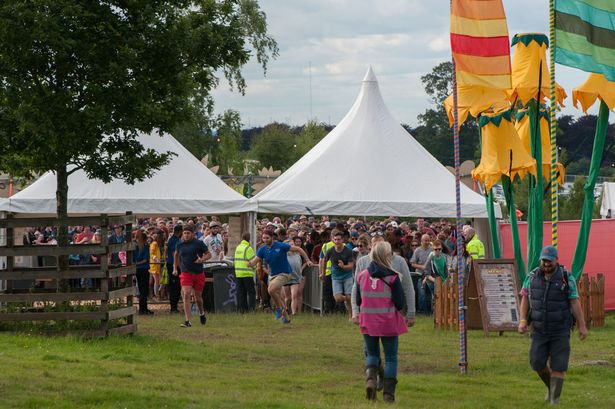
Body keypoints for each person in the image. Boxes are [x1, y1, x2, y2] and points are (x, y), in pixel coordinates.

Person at [518, 245, 587, 404]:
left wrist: (582, 326)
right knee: (536, 362)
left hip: (560, 329)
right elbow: (525, 299)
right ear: (540, 260)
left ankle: (554, 400)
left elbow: (574, 302)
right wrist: (522, 320)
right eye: (544, 260)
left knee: (558, 365)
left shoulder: (566, 277)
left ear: (556, 260)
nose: (546, 264)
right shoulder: (532, 276)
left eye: (549, 261)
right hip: (539, 329)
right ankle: (552, 388)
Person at [353, 242, 408, 403]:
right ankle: (388, 394)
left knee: (372, 354)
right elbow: (399, 303)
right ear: (386, 256)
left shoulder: (362, 275)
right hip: (388, 322)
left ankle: (370, 379)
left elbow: (358, 299)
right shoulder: (392, 277)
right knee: (390, 358)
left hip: (368, 321)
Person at [248, 229, 312, 324]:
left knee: (271, 289)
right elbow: (254, 261)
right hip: (273, 275)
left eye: (267, 238)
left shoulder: (280, 245)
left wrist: (307, 260)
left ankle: (279, 309)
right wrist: (248, 264)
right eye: (264, 238)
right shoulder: (262, 249)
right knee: (277, 294)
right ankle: (286, 317)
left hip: (285, 273)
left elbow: (298, 249)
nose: (265, 240)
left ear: (272, 238)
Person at [174, 224, 211, 328]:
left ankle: (201, 313)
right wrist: (174, 268)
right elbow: (176, 254)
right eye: (184, 233)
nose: (185, 235)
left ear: (193, 234)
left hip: (198, 273)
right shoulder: (179, 244)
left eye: (188, 233)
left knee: (198, 297)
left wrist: (202, 259)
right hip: (186, 272)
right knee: (186, 294)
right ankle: (188, 321)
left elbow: (209, 254)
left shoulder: (199, 243)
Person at [323, 230, 355, 318]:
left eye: (339, 239)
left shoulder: (348, 251)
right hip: (336, 277)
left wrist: (343, 266)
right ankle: (349, 299)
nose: (337, 241)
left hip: (347, 276)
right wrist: (322, 273)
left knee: (349, 296)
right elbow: (324, 261)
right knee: (338, 298)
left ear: (342, 240)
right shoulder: (330, 251)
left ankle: (351, 315)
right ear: (333, 240)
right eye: (335, 239)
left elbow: (351, 266)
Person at [410, 234, 433, 314]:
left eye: (428, 240)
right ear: (421, 241)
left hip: (430, 275)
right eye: (425, 241)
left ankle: (429, 311)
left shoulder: (432, 250)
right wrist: (421, 267)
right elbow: (412, 263)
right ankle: (423, 312)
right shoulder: (417, 250)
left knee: (429, 294)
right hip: (420, 275)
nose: (426, 242)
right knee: (421, 294)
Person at [234, 232, 256, 313]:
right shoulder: (248, 248)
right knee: (251, 293)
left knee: (241, 293)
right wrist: (254, 268)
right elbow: (253, 261)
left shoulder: (238, 247)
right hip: (247, 273)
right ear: (249, 239)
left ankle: (242, 310)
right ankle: (251, 310)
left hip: (238, 273)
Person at [133, 230, 153, 315]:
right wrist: (138, 263)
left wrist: (136, 263)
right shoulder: (145, 247)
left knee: (142, 290)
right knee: (143, 290)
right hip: (143, 270)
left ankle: (143, 308)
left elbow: (134, 259)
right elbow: (145, 259)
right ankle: (142, 309)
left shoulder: (135, 248)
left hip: (138, 270)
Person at [166, 224, 183, 314]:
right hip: (173, 265)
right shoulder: (173, 241)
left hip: (175, 265)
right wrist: (178, 266)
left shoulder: (176, 240)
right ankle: (173, 308)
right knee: (174, 287)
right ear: (180, 231)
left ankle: (175, 307)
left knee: (176, 287)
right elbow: (174, 254)